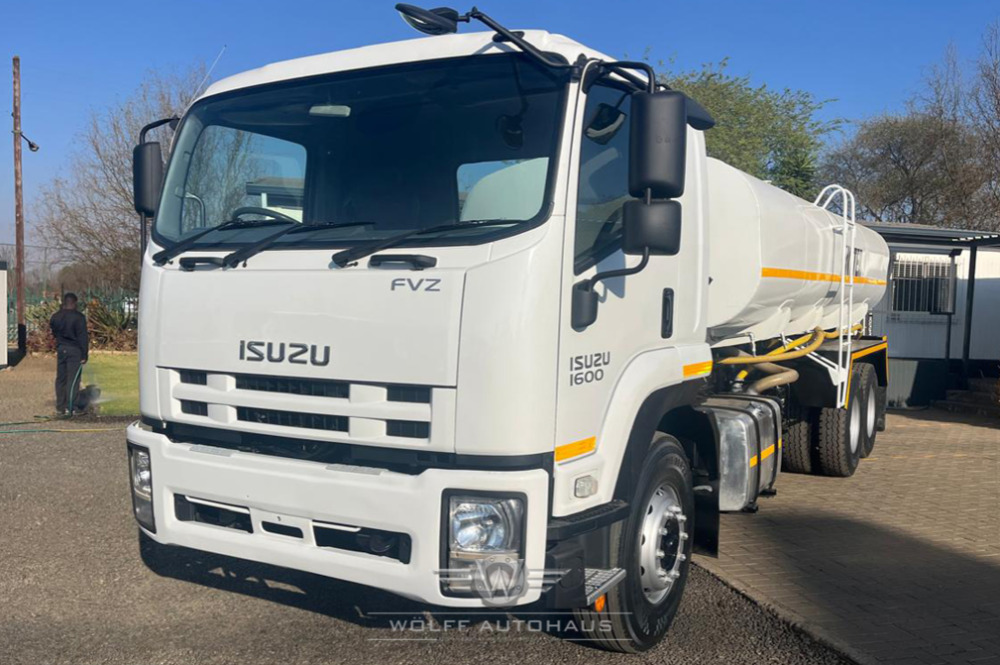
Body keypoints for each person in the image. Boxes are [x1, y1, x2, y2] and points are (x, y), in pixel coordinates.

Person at [50, 293, 89, 415]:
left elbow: (54, 332)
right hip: (74, 350)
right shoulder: (79, 317)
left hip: (61, 349)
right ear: (75, 303)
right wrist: (84, 354)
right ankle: (72, 406)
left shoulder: (55, 316)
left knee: (61, 378)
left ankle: (60, 406)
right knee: (73, 379)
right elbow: (83, 337)